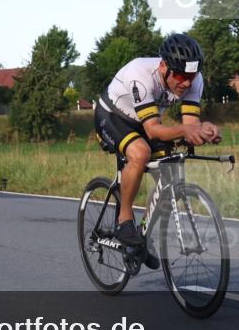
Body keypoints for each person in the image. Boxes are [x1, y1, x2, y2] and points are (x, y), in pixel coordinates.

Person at [94, 33, 221, 268]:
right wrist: (185, 130)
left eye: (191, 77)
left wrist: (204, 130)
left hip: (145, 120)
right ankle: (124, 219)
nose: (186, 83)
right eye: (181, 76)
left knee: (169, 169)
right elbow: (152, 131)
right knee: (140, 153)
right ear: (164, 66)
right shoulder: (140, 74)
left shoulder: (194, 80)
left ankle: (141, 237)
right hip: (112, 117)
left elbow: (190, 124)